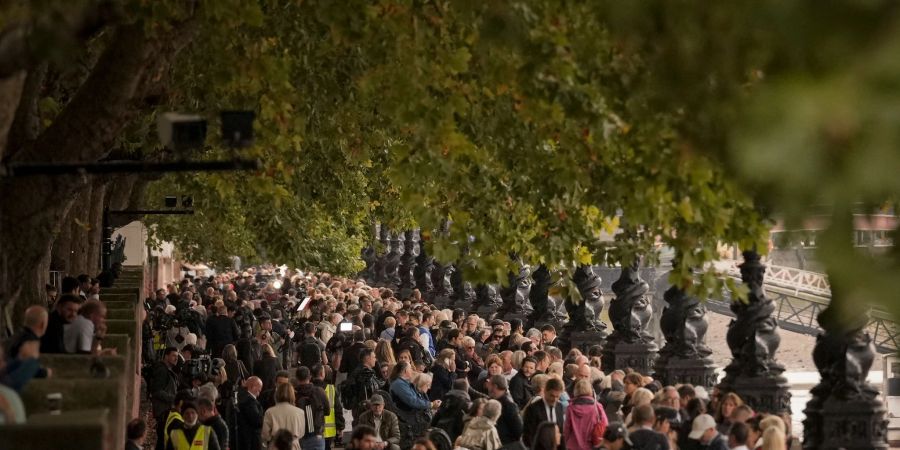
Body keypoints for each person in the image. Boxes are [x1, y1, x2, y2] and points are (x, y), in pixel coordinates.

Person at [564, 379, 608, 450]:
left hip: (573, 446)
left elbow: (567, 429)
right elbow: (605, 425)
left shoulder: (570, 408)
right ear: (591, 390)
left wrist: (566, 443)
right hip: (592, 446)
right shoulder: (597, 407)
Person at [151, 348, 181, 450]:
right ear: (166, 356)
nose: (176, 358)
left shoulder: (168, 370)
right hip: (164, 412)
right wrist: (174, 399)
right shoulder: (162, 370)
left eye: (177, 356)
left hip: (167, 411)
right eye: (173, 356)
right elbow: (156, 391)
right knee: (162, 442)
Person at [522, 377, 565, 445]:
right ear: (545, 391)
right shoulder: (533, 409)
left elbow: (561, 432)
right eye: (552, 396)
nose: (554, 399)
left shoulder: (559, 407)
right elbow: (528, 435)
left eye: (557, 397)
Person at [296, 366, 330, 450]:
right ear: (310, 377)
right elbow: (327, 411)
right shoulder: (319, 391)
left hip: (298, 436)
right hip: (316, 434)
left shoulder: (293, 393)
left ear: (296, 378)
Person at [262, 383, 305, 450]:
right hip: (293, 446)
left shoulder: (270, 412)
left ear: (277, 394)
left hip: (275, 446)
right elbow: (301, 433)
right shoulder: (300, 412)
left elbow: (265, 434)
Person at [485, 374, 523, 447]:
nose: (487, 388)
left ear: (495, 386)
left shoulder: (509, 406)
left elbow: (519, 430)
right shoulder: (491, 401)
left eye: (489, 385)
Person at [236, 376, 264, 450]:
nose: (260, 390)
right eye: (259, 387)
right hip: (250, 441)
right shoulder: (249, 402)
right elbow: (257, 421)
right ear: (253, 386)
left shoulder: (242, 397)